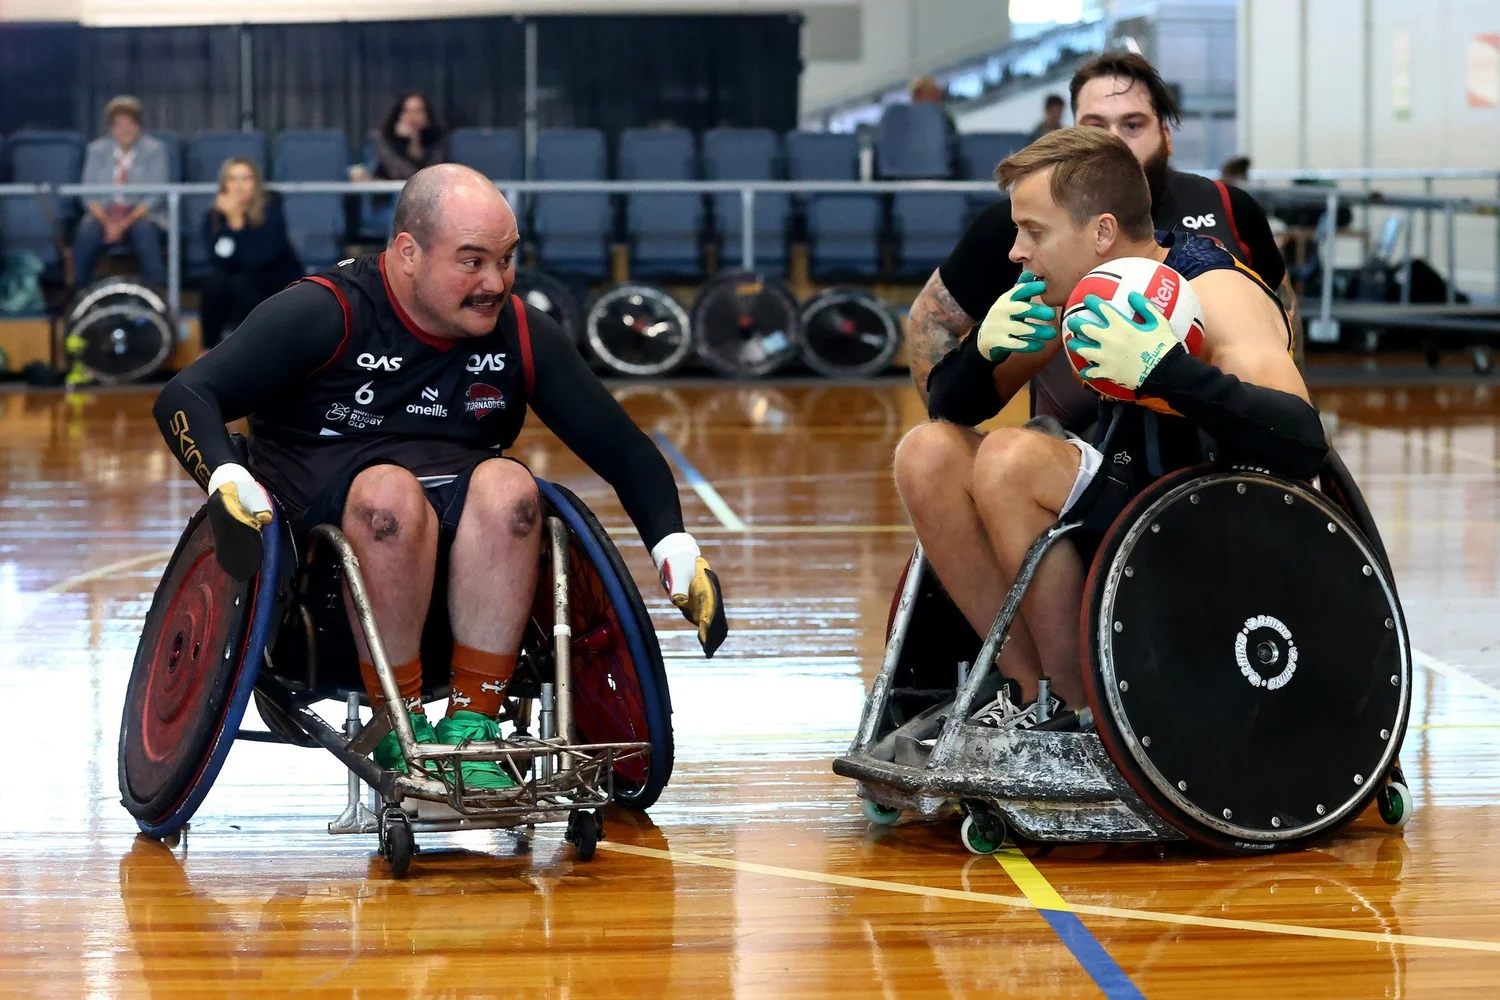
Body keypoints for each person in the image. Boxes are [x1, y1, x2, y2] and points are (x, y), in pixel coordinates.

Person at [153, 164, 728, 788]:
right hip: (320, 585)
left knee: (512, 488)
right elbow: (186, 395)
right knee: (390, 496)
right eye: (472, 262)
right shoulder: (326, 311)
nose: (495, 282)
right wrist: (225, 476)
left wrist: (675, 549)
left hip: (467, 575)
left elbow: (626, 451)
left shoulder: (519, 332)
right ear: (408, 253)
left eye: (506, 260)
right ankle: (398, 726)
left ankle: (471, 729)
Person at [896, 127, 1326, 731]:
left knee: (1012, 460)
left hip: (1213, 518)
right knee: (926, 452)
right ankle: (1029, 694)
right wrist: (981, 353)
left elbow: (1303, 443)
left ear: (1101, 231)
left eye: (1032, 231)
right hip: (1129, 489)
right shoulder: (1074, 286)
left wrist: (1167, 373)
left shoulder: (1216, 291)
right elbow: (953, 410)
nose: (1015, 251)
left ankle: (1080, 710)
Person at [904, 51, 1300, 422]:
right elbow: (931, 318)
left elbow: (1282, 317)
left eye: (1132, 125)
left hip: (1212, 433)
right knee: (947, 449)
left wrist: (1275, 388)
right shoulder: (1014, 225)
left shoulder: (1227, 211)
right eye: (1095, 126)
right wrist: (974, 369)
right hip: (1073, 441)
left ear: (1166, 135)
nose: (1114, 140)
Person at [199, 158, 303, 349]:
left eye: (245, 179)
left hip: (276, 281)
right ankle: (208, 349)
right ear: (224, 185)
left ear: (256, 183)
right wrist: (229, 225)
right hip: (238, 284)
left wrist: (237, 222)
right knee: (214, 283)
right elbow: (218, 260)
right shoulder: (214, 216)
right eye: (232, 179)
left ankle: (261, 346)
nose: (238, 186)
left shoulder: (271, 208)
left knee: (238, 282)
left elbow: (260, 257)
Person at [73, 96, 168, 288]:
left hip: (141, 214)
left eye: (130, 124)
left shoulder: (155, 150)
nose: (125, 130)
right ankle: (80, 293)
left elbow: (155, 195)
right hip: (104, 214)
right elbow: (88, 194)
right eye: (118, 125)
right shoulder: (96, 150)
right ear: (111, 129)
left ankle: (156, 294)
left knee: (145, 233)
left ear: (139, 126)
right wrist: (108, 223)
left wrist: (123, 224)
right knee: (87, 233)